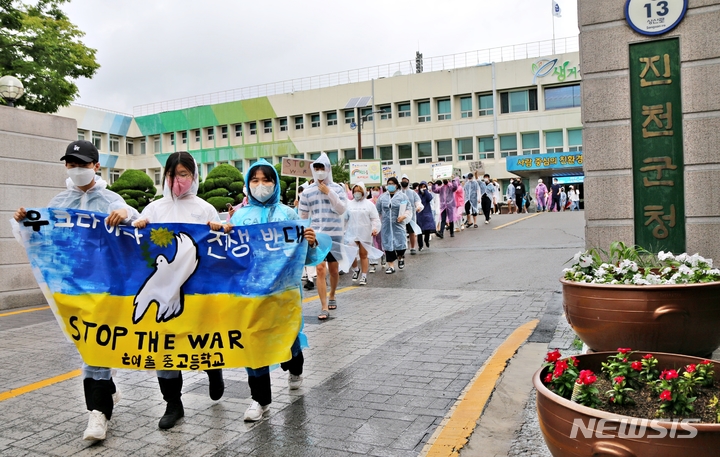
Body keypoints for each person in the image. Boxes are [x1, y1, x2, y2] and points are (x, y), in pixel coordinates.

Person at [13, 140, 139, 441]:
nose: (77, 169)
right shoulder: (58, 202)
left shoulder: (112, 200)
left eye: (82, 163)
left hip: (107, 287)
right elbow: (42, 240)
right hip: (72, 288)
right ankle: (106, 391)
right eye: (71, 163)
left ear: (96, 166)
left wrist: (128, 217)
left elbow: (137, 230)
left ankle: (97, 415)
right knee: (88, 346)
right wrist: (24, 224)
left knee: (96, 348)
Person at [225, 159, 327, 422]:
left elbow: (304, 257)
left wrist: (311, 243)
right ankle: (260, 400)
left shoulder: (289, 215)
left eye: (266, 180)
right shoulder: (239, 217)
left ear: (276, 183)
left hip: (283, 295)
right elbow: (227, 256)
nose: (261, 185)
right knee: (253, 342)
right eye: (255, 180)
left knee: (289, 339)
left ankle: (295, 365)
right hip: (250, 294)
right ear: (248, 184)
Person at [133, 151, 227, 430]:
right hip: (164, 286)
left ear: (194, 176)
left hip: (198, 287)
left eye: (184, 174)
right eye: (174, 174)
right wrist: (136, 226)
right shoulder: (153, 209)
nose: (178, 180)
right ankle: (173, 403)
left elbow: (221, 246)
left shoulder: (205, 208)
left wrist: (219, 229)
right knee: (164, 345)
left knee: (202, 334)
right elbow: (137, 247)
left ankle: (213, 368)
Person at [298, 153, 347, 320]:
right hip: (318, 236)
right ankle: (324, 306)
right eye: (316, 168)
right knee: (320, 269)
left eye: (322, 168)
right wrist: (304, 233)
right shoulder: (307, 192)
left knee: (334, 271)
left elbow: (341, 209)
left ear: (328, 169)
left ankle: (332, 294)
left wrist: (329, 192)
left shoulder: (338, 189)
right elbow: (303, 215)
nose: (319, 171)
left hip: (335, 234)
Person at [345, 182, 381, 286]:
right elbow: (345, 219)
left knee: (363, 255)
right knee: (350, 253)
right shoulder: (349, 204)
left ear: (363, 192)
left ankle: (364, 276)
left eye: (359, 191)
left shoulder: (369, 205)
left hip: (365, 233)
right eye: (355, 191)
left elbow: (375, 218)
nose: (357, 193)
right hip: (351, 232)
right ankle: (356, 269)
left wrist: (375, 228)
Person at [376, 177, 411, 273]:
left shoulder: (402, 196)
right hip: (386, 225)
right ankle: (391, 266)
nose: (390, 185)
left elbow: (408, 208)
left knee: (400, 243)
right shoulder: (382, 197)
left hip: (398, 225)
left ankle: (400, 257)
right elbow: (377, 211)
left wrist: (404, 216)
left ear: (396, 185)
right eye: (388, 184)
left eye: (392, 183)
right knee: (388, 245)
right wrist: (377, 224)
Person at [400, 174, 423, 254]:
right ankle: (402, 248)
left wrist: (418, 207)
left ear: (408, 181)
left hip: (411, 216)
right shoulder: (398, 192)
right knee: (401, 232)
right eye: (403, 180)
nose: (404, 182)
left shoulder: (412, 193)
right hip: (401, 216)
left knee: (411, 232)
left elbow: (418, 202)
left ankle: (412, 247)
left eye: (406, 180)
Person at [416, 181, 435, 251]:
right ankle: (420, 245)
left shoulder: (427, 194)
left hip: (427, 214)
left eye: (424, 186)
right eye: (421, 186)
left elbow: (429, 198)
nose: (422, 188)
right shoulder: (418, 195)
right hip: (419, 215)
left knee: (427, 229)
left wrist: (426, 191)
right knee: (419, 231)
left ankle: (426, 240)